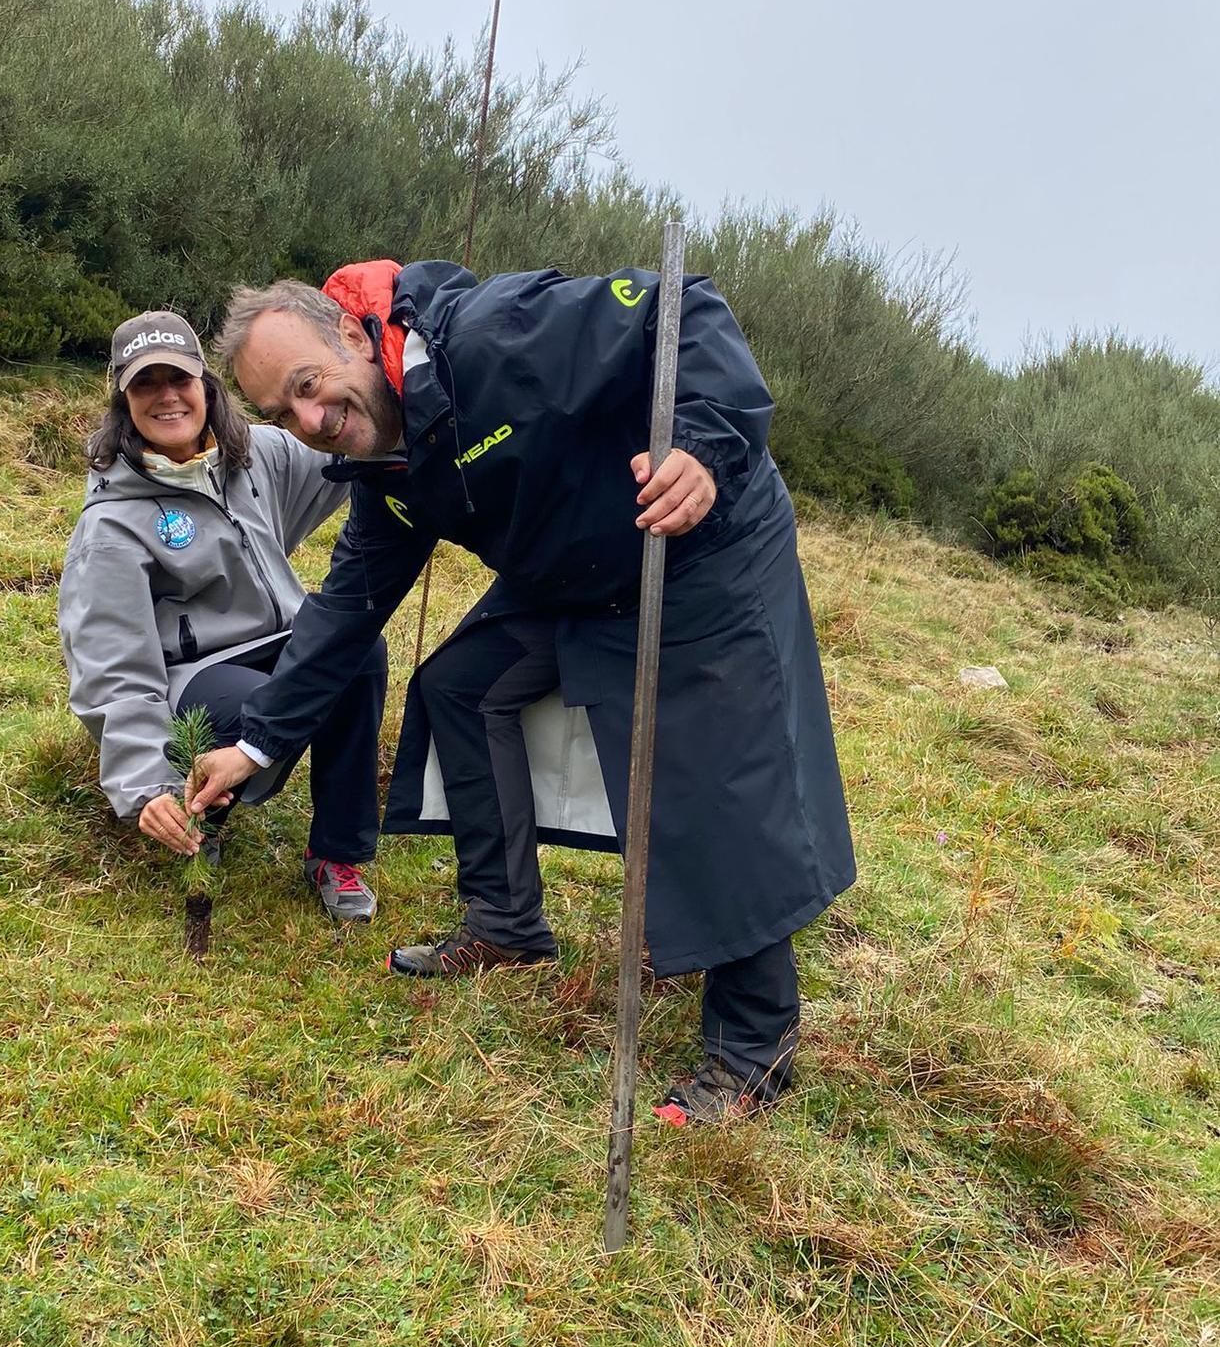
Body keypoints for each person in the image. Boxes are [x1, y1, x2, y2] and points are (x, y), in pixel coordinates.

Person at [189, 262, 856, 1122]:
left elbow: (681, 307)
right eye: (284, 414)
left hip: (697, 546)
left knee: (711, 782)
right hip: (576, 565)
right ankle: (504, 922)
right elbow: (345, 614)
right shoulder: (388, 471)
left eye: (310, 386)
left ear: (353, 335)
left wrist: (702, 449)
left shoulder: (493, 335)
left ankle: (750, 1057)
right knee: (462, 688)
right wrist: (255, 745)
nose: (312, 422)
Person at [56, 307, 387, 922]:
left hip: (283, 636)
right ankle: (200, 810)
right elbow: (111, 662)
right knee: (256, 704)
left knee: (357, 651)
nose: (166, 397)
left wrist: (399, 410)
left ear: (205, 385)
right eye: (145, 384)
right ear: (122, 400)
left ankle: (335, 854)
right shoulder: (112, 525)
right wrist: (144, 783)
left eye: (178, 379)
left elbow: (347, 446)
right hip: (196, 677)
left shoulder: (256, 454)